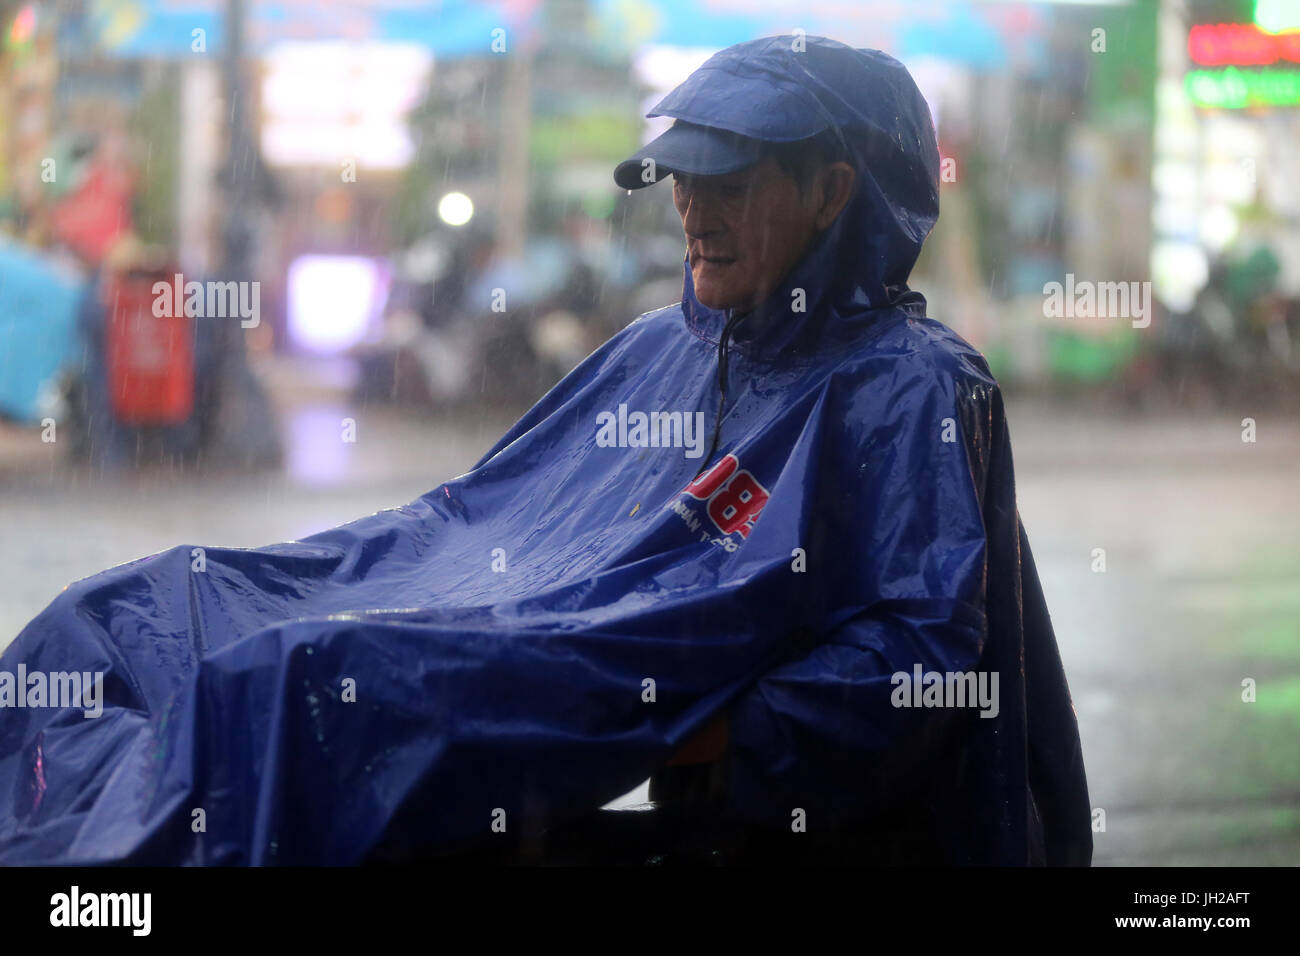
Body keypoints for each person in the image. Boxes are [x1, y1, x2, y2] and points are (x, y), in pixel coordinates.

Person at [0, 35, 1091, 866]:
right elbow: (478, 521)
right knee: (128, 619)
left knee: (306, 681)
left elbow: (914, 664)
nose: (690, 209)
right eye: (680, 178)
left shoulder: (911, 386)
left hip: (796, 815)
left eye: (729, 181)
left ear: (830, 191)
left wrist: (675, 727)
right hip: (516, 647)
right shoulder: (657, 349)